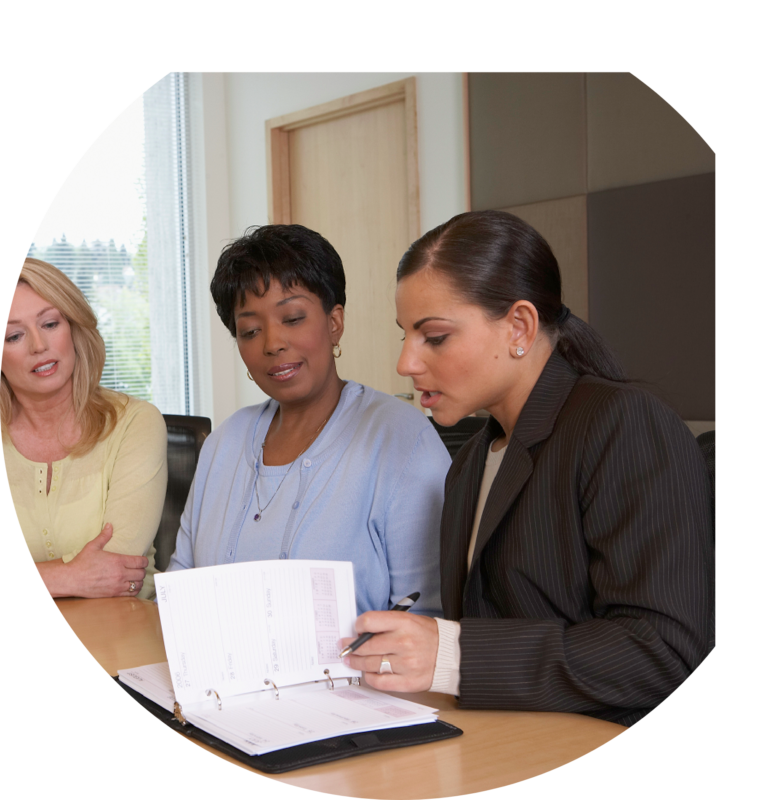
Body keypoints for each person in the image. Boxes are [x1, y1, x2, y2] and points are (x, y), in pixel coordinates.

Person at [341, 210, 715, 728]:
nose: (406, 363)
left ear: (519, 326)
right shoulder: (471, 461)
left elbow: (665, 651)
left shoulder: (621, 423)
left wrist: (454, 654)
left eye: (435, 336)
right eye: (405, 334)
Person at [166, 224, 450, 618]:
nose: (271, 343)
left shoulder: (402, 439)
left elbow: (428, 617)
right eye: (250, 330)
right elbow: (180, 588)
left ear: (334, 322)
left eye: (293, 318)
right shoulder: (224, 442)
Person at [3, 258, 167, 599]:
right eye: (14, 335)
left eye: (50, 324)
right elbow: (93, 577)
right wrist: (68, 578)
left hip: (125, 638)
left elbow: (118, 570)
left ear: (73, 327)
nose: (38, 346)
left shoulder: (136, 422)